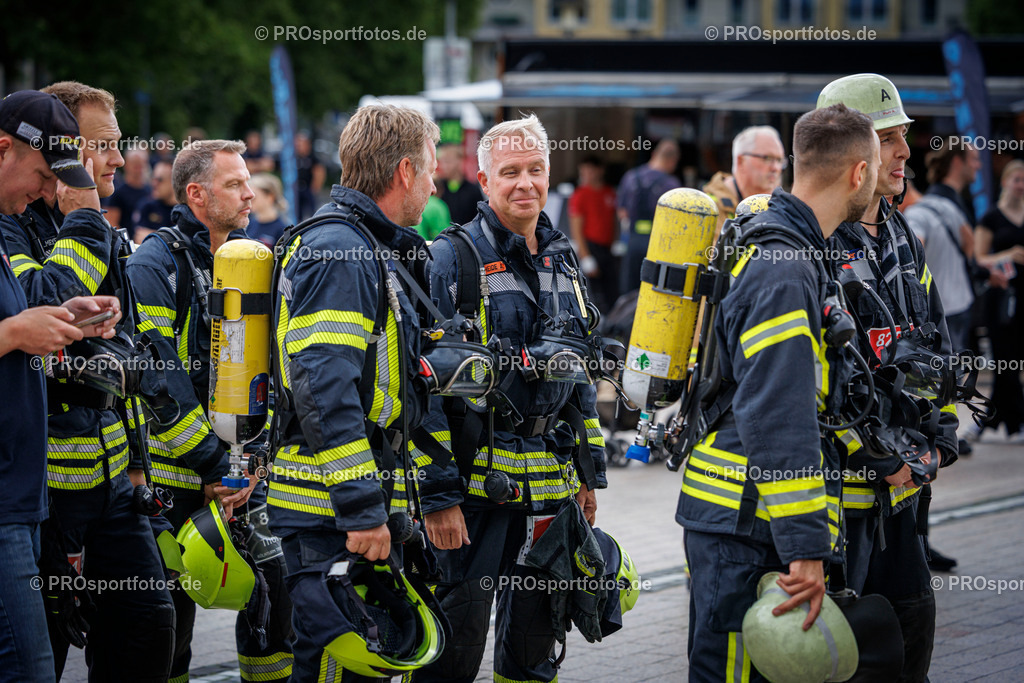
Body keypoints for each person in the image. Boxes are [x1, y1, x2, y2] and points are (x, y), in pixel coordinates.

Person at [678, 103, 879, 683]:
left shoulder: (790, 250)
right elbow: (778, 413)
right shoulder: (785, 267)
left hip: (746, 521)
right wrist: (804, 549)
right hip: (749, 529)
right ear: (858, 174)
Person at [416, 114, 608, 683]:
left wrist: (588, 473)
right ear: (483, 178)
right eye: (510, 172)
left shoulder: (563, 260)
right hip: (474, 492)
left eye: (536, 170)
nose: (525, 183)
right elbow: (424, 385)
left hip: (548, 487)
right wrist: (438, 497)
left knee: (533, 648)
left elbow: (578, 379)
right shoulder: (452, 258)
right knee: (455, 647)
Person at [0, 84, 175, 680]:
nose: (118, 162)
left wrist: (138, 466)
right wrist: (83, 221)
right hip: (46, 489)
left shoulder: (102, 233)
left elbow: (129, 350)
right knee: (40, 653)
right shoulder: (18, 224)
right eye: (101, 146)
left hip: (114, 478)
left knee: (148, 629)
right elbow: (33, 312)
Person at [267, 103, 441, 681]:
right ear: (404, 173)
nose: (436, 182)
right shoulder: (340, 250)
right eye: (432, 168)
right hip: (329, 514)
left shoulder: (363, 243)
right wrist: (364, 512)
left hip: (346, 509)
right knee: (334, 670)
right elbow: (325, 390)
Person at [127, 140, 292, 682]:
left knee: (272, 609)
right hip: (179, 482)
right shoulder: (157, 261)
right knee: (170, 630)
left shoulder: (254, 260)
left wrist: (254, 463)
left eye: (248, 182)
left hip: (246, 478)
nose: (250, 193)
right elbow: (157, 374)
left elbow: (274, 366)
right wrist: (212, 464)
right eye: (234, 184)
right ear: (196, 194)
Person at [818, 73, 960, 681]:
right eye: (890, 139)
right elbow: (821, 380)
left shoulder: (900, 233)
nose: (906, 152)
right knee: (844, 661)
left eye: (903, 137)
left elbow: (934, 341)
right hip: (836, 512)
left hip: (904, 496)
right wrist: (883, 456)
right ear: (850, 153)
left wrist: (942, 429)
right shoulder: (811, 241)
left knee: (909, 648)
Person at [0, 87, 123, 683]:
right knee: (31, 665)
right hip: (21, 497)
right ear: (3, 149)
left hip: (29, 494)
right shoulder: (15, 226)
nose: (51, 191)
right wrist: (18, 329)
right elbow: (27, 314)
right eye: (47, 174)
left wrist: (62, 317)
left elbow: (35, 311)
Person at [905, 138, 984, 353]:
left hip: (941, 310)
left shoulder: (917, 214)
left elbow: (911, 254)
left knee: (941, 376)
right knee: (954, 372)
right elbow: (970, 245)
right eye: (975, 159)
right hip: (960, 303)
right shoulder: (945, 204)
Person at [975, 159, 1024, 442]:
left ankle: (996, 417)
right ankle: (1010, 417)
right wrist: (1009, 255)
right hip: (1001, 296)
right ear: (1005, 181)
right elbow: (979, 258)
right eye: (1016, 179)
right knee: (1005, 357)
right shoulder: (991, 217)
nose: (1020, 186)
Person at [617, 139, 680, 293]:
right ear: (673, 161)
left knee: (629, 290)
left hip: (633, 241)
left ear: (654, 154)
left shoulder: (631, 177)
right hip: (658, 244)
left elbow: (622, 212)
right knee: (652, 289)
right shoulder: (671, 185)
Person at [703, 125, 787, 229]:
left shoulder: (781, 208)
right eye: (767, 158)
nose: (776, 168)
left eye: (779, 160)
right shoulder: (709, 210)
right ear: (741, 161)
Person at [569, 156, 619, 312]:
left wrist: (615, 243)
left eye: (589, 171)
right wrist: (585, 256)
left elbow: (613, 222)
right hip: (591, 247)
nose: (586, 175)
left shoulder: (609, 192)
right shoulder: (580, 194)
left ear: (600, 171)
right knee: (593, 295)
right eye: (583, 172)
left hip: (607, 249)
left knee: (611, 291)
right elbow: (576, 228)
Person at [103, 148, 150, 239]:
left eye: (142, 165)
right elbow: (112, 225)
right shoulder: (118, 193)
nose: (139, 169)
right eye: (136, 165)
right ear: (127, 165)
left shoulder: (149, 190)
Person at [437, 143, 483, 225]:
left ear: (460, 161)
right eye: (441, 162)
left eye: (447, 162)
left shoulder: (473, 190)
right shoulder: (438, 187)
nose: (443, 166)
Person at [132, 159, 175, 242]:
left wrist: (154, 235)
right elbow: (140, 238)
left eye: (160, 180)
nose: (154, 183)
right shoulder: (147, 206)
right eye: (153, 179)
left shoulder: (186, 209)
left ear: (174, 182)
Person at [248, 171, 290, 248]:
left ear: (270, 197)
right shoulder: (248, 224)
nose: (250, 200)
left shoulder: (282, 229)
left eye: (254, 197)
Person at [294, 131, 325, 220]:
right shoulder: (295, 157)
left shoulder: (312, 157)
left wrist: (315, 187)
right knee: (297, 213)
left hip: (308, 188)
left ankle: (312, 230)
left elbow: (319, 171)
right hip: (297, 189)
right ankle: (298, 232)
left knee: (312, 213)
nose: (298, 146)